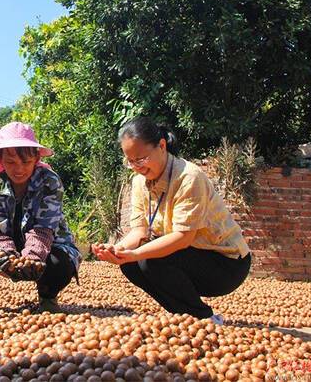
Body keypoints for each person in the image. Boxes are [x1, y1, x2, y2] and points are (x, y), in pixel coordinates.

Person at [92, 117, 251, 323]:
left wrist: (136, 253)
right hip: (187, 256)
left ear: (162, 146)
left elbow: (183, 238)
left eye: (140, 159)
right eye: (130, 162)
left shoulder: (189, 177)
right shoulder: (139, 182)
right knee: (129, 264)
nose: (136, 167)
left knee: (147, 259)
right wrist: (117, 249)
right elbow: (139, 232)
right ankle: (188, 317)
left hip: (226, 264)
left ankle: (204, 318)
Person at [0, 122, 82, 313]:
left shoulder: (49, 181)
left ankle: (47, 296)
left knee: (61, 264)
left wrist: (32, 258)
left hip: (47, 244)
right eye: (11, 162)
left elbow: (44, 229)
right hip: (8, 240)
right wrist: (5, 257)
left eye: (26, 162)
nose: (19, 169)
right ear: (1, 160)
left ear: (36, 158)